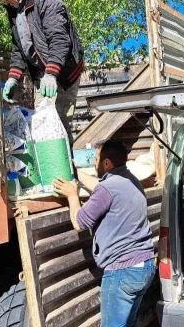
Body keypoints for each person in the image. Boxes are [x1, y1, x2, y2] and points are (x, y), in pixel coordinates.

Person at [52, 140, 155, 327]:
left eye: (96, 159)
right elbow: (101, 185)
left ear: (107, 163)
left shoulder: (107, 189)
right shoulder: (130, 181)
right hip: (144, 266)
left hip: (123, 271)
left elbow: (80, 222)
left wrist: (72, 195)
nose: (93, 163)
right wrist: (77, 174)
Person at [0, 0, 84, 142]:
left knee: (59, 128)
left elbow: (60, 39)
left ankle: (65, 167)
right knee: (42, 127)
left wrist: (51, 73)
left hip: (64, 72)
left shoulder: (47, 0)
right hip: (43, 73)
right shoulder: (13, 6)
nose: (2, 0)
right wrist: (13, 76)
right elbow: (20, 45)